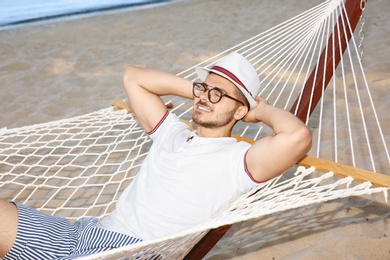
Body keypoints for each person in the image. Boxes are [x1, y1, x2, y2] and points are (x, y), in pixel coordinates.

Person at [0, 52, 312, 259]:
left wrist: (260, 111)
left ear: (240, 109)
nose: (205, 98)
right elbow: (133, 77)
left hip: (127, 253)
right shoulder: (172, 133)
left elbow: (297, 137)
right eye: (205, 89)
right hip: (83, 232)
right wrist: (199, 92)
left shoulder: (241, 161)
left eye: (218, 95)